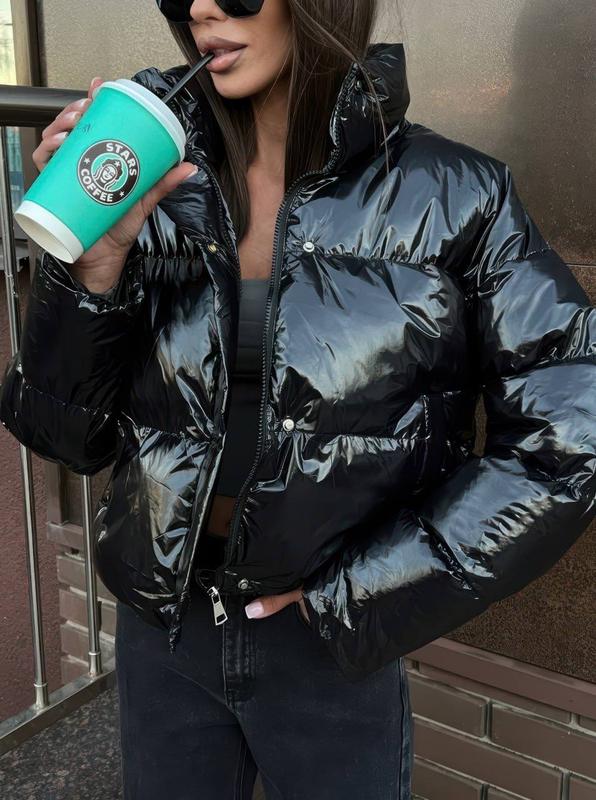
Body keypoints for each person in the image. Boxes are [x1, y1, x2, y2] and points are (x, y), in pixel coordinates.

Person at [1, 0, 594, 797]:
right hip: (163, 630)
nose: (203, 7)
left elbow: (569, 437)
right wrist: (91, 273)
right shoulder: (152, 184)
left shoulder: (459, 195)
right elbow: (62, 436)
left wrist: (363, 592)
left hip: (329, 649)